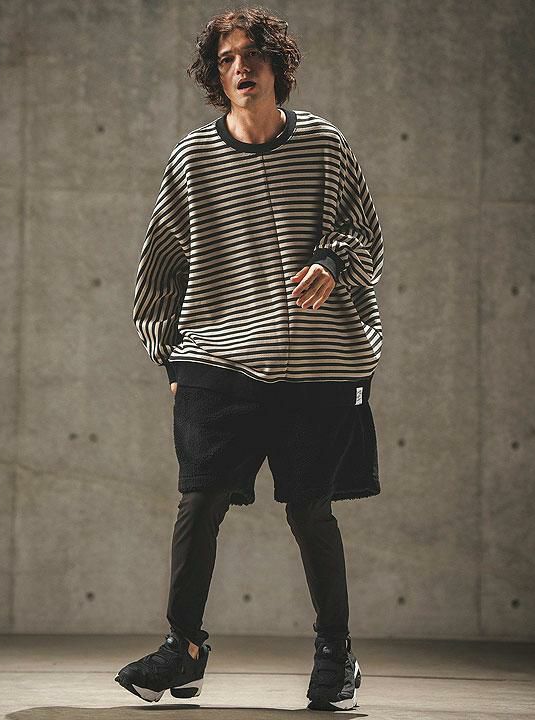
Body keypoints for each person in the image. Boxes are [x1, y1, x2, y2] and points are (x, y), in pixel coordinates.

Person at [115, 5, 384, 712]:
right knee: (200, 499)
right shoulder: (193, 160)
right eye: (228, 58)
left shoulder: (324, 146)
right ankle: (182, 648)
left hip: (319, 364)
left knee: (310, 511)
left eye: (254, 55)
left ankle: (336, 655)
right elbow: (159, 267)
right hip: (220, 357)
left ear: (277, 66)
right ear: (217, 74)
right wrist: (172, 360)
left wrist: (334, 262)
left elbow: (366, 236)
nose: (242, 68)